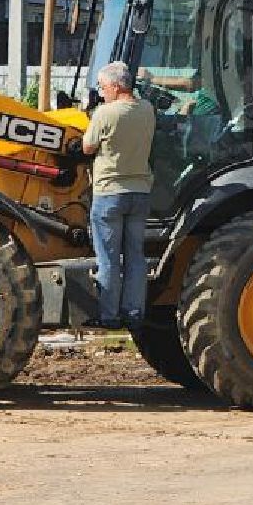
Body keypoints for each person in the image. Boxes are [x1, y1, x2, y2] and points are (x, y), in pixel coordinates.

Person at [81, 60, 156, 330]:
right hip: (140, 193)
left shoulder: (105, 113)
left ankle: (109, 316)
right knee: (136, 256)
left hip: (109, 195)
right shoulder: (147, 109)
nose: (101, 92)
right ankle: (134, 312)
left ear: (115, 86)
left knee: (108, 259)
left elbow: (87, 148)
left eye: (102, 87)